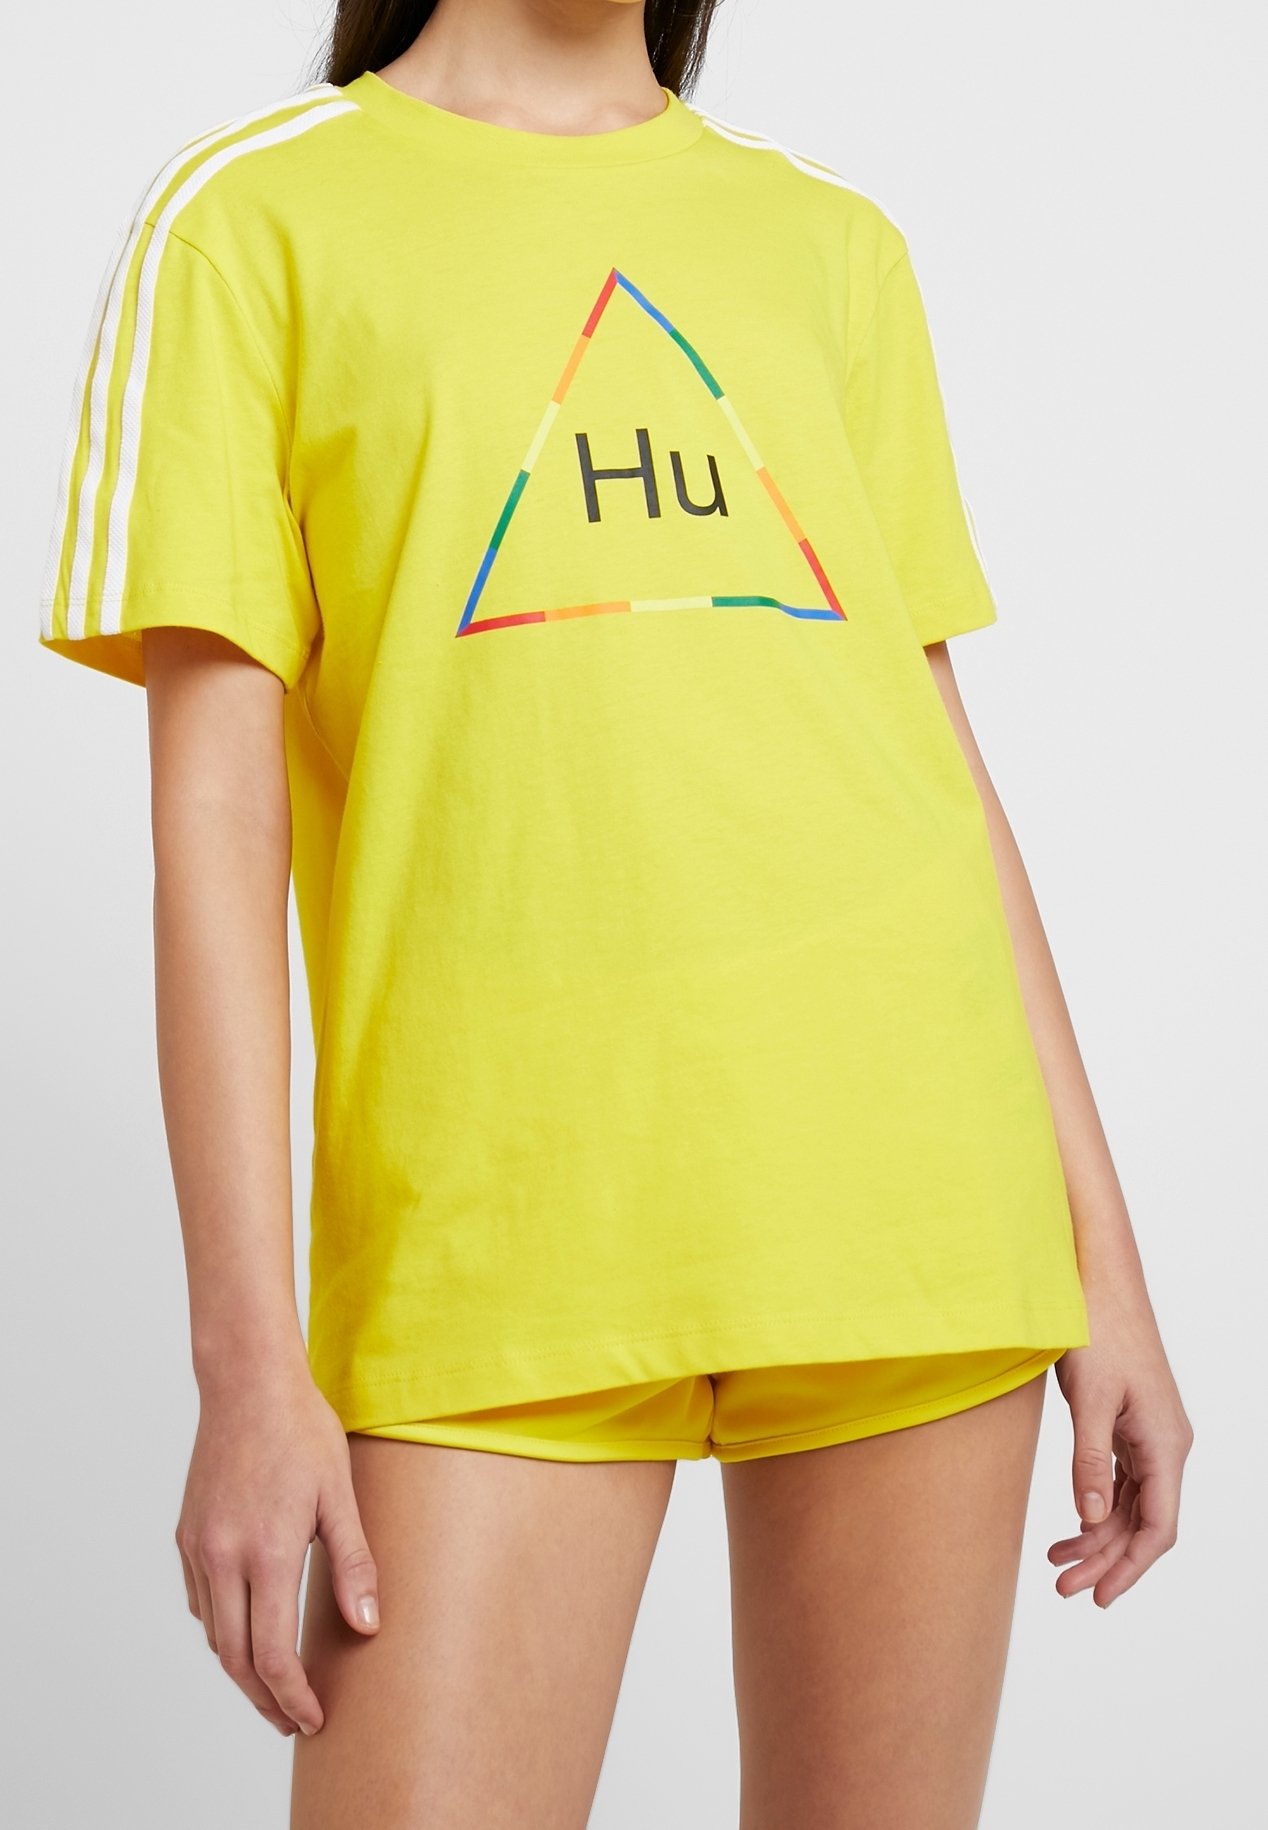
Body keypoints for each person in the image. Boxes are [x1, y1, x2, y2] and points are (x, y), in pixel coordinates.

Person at [36, 1, 1193, 1824]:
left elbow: (938, 762)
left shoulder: (828, 241)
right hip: (495, 1238)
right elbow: (216, 830)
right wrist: (248, 1362)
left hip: (906, 1191)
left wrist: (1105, 1269)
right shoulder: (250, 221)